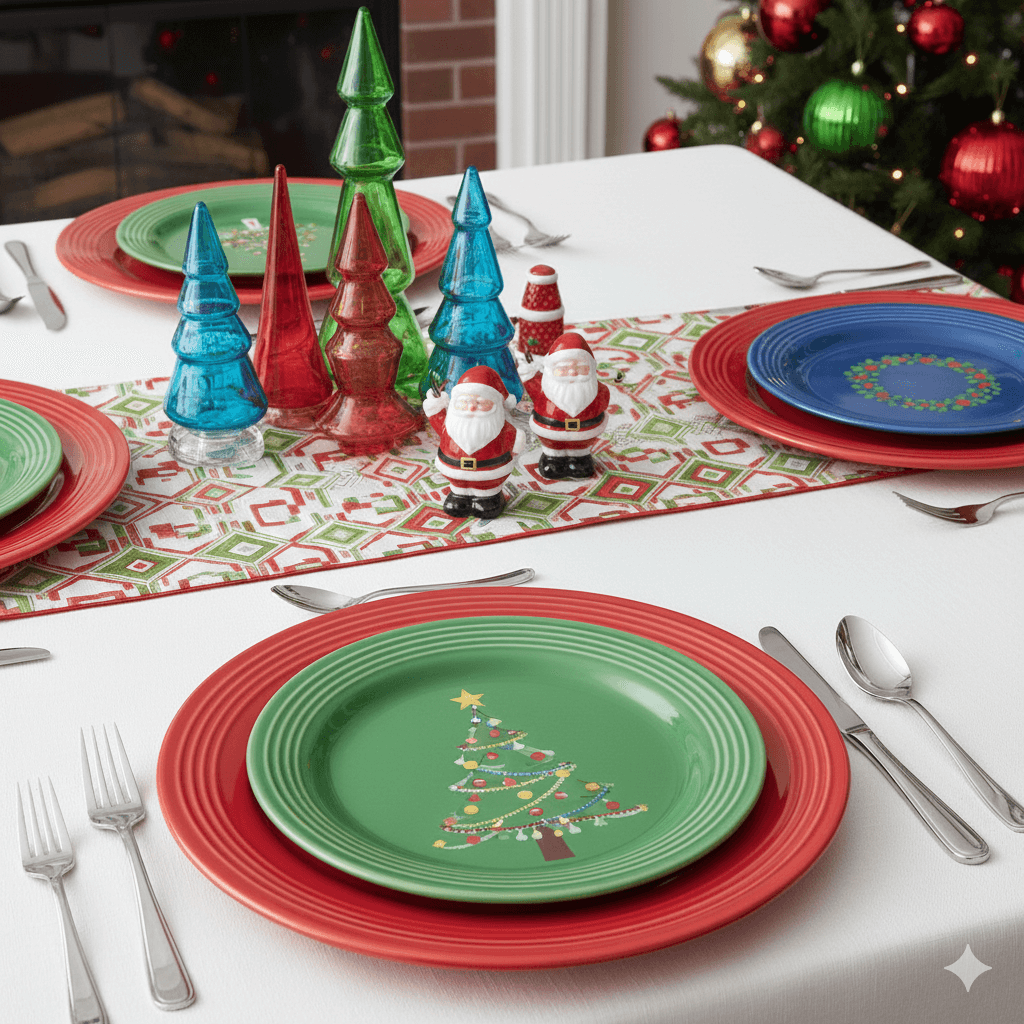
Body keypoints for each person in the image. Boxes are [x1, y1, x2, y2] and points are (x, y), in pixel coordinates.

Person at [423, 365, 524, 518]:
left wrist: (516, 442)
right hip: (454, 472)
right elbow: (437, 420)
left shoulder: (502, 429)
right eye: (464, 402)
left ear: (495, 405)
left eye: (481, 403)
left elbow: (514, 441)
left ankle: (489, 498)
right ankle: (458, 496)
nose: (471, 408)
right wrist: (434, 408)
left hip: (490, 476)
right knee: (458, 495)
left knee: (487, 498)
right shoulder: (450, 424)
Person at [521, 331, 609, 480]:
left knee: (580, 454)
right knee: (553, 453)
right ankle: (552, 459)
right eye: (564, 368)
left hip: (584, 434)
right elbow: (526, 385)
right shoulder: (541, 386)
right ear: (551, 369)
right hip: (550, 434)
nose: (573, 372)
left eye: (580, 368)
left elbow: (603, 402)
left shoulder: (598, 391)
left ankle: (580, 459)